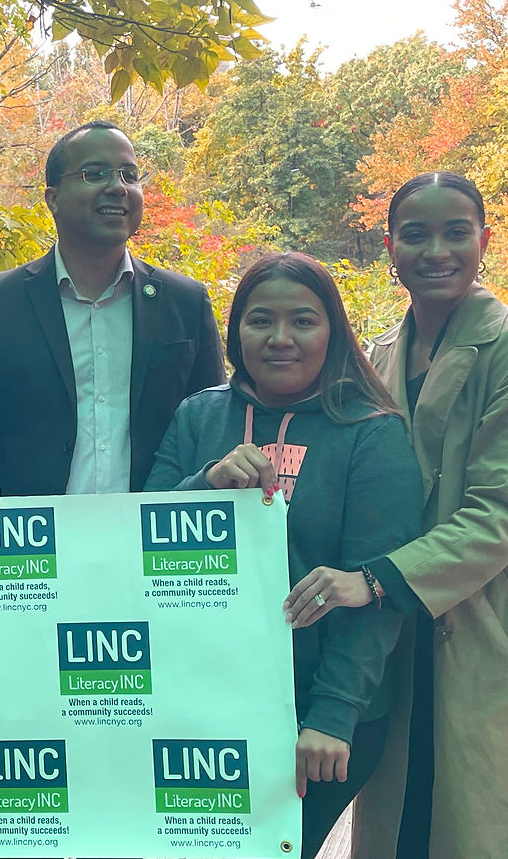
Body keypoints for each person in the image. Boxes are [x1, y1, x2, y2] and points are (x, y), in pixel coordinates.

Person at [146, 252, 422, 859]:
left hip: (316, 717)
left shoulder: (371, 433)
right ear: (235, 332)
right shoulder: (200, 416)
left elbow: (377, 597)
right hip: (202, 701)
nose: (280, 339)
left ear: (334, 332)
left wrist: (333, 716)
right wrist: (205, 486)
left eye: (303, 321)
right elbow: (139, 537)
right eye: (260, 321)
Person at [284, 172, 508, 859]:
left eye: (454, 232)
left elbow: (498, 512)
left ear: (485, 239)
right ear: (389, 246)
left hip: (475, 618)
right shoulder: (376, 353)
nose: (434, 251)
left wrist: (375, 578)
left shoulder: (502, 347)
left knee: (470, 816)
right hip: (387, 638)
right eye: (415, 235)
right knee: (398, 818)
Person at [0, 121, 225, 506]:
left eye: (129, 174)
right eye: (95, 173)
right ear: (52, 198)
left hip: (152, 544)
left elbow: (211, 426)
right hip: (33, 543)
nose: (117, 186)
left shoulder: (184, 302)